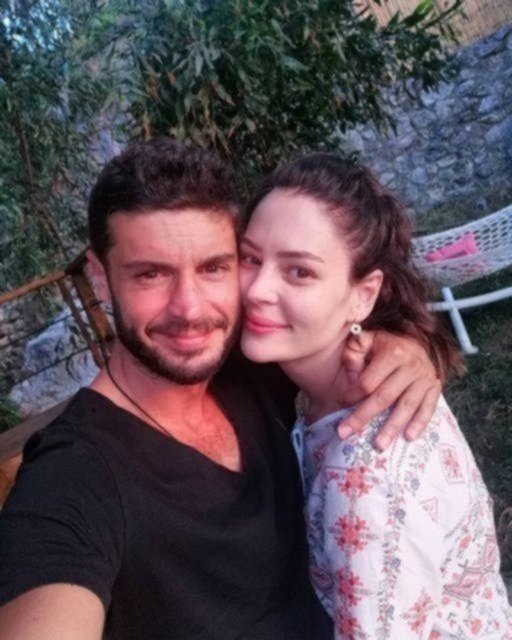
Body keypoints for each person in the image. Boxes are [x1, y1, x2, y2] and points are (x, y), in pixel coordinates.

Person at [0, 140, 440, 640]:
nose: (189, 309)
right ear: (101, 280)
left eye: (213, 268)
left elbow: (335, 319)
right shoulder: (73, 477)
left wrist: (401, 347)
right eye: (151, 274)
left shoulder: (250, 368)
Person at [238, 152, 512, 639]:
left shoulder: (363, 481)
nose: (257, 288)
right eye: (250, 258)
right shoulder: (354, 384)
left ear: (364, 295)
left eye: (299, 271)